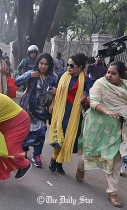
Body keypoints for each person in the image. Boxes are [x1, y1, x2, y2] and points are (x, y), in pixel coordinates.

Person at [76, 61, 127, 207]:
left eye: (113, 73)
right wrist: (107, 111)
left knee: (116, 158)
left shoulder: (125, 87)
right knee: (91, 153)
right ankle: (81, 167)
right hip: (96, 126)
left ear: (121, 75)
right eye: (108, 72)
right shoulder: (100, 83)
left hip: (116, 129)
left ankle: (112, 192)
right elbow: (93, 102)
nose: (109, 75)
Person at [48, 52, 93, 175]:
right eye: (68, 64)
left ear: (80, 67)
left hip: (74, 112)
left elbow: (91, 93)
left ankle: (59, 162)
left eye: (72, 65)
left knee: (69, 136)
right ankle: (54, 159)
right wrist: (52, 104)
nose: (69, 67)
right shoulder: (63, 75)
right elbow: (57, 92)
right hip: (60, 110)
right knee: (60, 133)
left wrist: (88, 97)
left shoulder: (85, 79)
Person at [15, 53, 58, 167]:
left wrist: (55, 95)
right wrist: (28, 76)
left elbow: (59, 91)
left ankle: (37, 155)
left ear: (50, 65)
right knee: (25, 132)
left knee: (41, 133)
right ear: (38, 63)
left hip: (42, 112)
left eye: (46, 64)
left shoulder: (53, 77)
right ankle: (24, 153)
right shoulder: (32, 73)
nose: (43, 66)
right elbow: (16, 82)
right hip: (27, 109)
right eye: (41, 63)